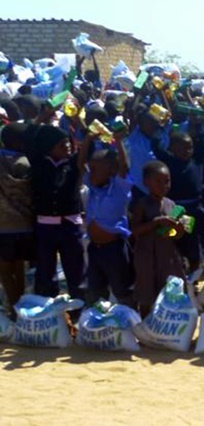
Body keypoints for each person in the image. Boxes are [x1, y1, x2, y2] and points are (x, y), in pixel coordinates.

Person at [30, 125, 85, 300]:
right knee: (46, 267)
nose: (67, 147)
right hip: (45, 225)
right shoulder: (39, 164)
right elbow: (30, 138)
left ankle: (78, 303)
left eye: (68, 143)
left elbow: (87, 151)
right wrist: (44, 118)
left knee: (75, 266)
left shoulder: (73, 164)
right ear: (49, 148)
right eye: (61, 144)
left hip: (70, 224)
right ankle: (47, 302)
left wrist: (85, 131)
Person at [80, 131, 134, 307]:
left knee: (122, 290)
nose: (91, 173)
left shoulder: (119, 188)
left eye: (95, 170)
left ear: (112, 171)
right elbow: (81, 165)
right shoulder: (93, 187)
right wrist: (88, 140)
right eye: (91, 169)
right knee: (95, 290)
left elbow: (124, 166)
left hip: (114, 250)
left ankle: (130, 318)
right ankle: (99, 320)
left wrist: (118, 141)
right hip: (94, 249)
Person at [131, 161, 186, 318]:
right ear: (146, 183)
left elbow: (174, 235)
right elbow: (134, 230)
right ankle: (145, 323)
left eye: (167, 181)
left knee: (168, 290)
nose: (164, 185)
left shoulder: (171, 205)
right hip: (146, 256)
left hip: (167, 256)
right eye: (158, 181)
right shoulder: (142, 204)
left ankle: (164, 323)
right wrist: (156, 222)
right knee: (146, 293)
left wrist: (179, 229)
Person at [152, 129, 204, 272]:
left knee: (193, 240)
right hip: (176, 209)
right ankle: (179, 267)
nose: (188, 151)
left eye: (190, 147)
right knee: (175, 238)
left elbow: (203, 140)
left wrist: (197, 126)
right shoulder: (169, 162)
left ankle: (195, 268)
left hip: (193, 208)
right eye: (183, 148)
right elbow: (156, 146)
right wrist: (162, 128)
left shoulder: (197, 161)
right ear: (172, 148)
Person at [0, 123, 34, 318]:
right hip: (25, 225)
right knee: (20, 268)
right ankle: (22, 308)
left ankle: (14, 312)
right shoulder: (27, 162)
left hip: (4, 225)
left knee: (5, 271)